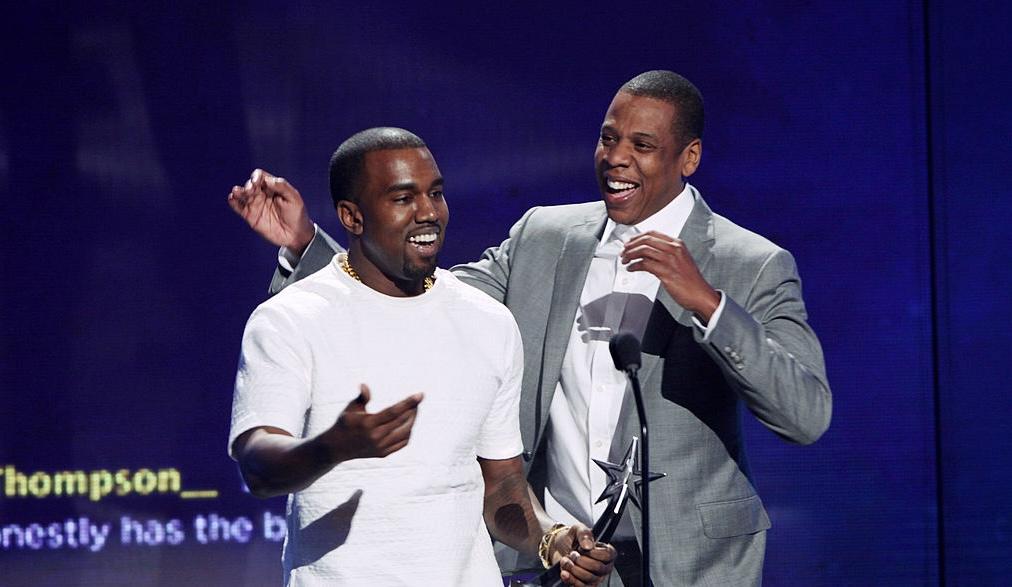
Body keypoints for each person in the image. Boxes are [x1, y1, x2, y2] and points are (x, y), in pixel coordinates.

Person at [230, 72, 832, 586]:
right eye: (607, 138)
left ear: (688, 157)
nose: (616, 157)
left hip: (689, 563)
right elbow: (423, 294)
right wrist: (311, 248)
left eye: (642, 145)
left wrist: (708, 303)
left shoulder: (751, 262)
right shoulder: (545, 237)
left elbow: (805, 414)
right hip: (562, 561)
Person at [228, 127, 615, 586]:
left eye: (435, 193)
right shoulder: (291, 319)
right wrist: (331, 446)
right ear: (352, 217)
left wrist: (552, 539)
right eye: (402, 198)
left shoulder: (487, 322)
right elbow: (258, 466)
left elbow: (501, 486)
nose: (429, 212)